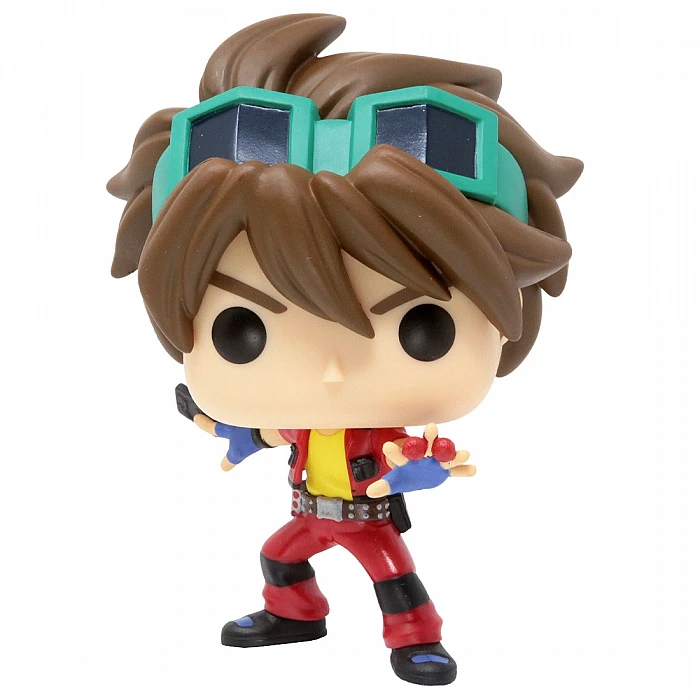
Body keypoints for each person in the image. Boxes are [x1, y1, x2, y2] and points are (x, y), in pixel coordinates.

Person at [108, 13, 582, 686]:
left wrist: (420, 469)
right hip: (312, 513)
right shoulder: (301, 425)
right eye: (242, 330)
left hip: (367, 518)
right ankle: (295, 612)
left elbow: (419, 462)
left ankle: (417, 641)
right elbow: (265, 434)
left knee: (395, 579)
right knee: (279, 556)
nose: (332, 370)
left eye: (423, 326)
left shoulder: (381, 437)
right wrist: (220, 425)